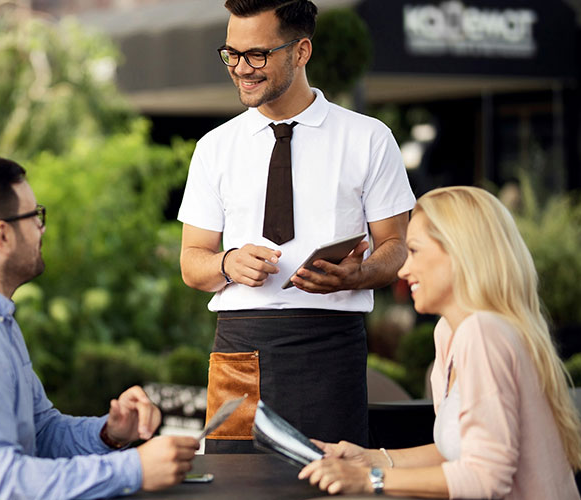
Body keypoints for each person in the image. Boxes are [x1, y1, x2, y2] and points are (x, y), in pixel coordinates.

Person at [177, 0, 415, 452]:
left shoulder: (368, 138)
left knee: (330, 482)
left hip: (329, 350)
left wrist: (358, 274)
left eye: (258, 55)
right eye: (232, 53)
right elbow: (192, 263)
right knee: (234, 484)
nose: (242, 68)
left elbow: (395, 246)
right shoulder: (214, 148)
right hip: (237, 347)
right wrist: (227, 263)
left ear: (301, 51)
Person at [0, 156, 199, 499]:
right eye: (34, 217)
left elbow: (41, 432)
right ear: (2, 236)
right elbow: (1, 484)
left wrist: (109, 434)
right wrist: (134, 468)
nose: (41, 228)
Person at [299, 186, 581, 499]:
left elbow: (486, 477)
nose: (403, 270)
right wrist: (373, 458)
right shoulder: (450, 332)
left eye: (415, 251)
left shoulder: (484, 333)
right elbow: (463, 450)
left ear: (461, 252)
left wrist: (370, 479)